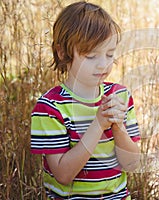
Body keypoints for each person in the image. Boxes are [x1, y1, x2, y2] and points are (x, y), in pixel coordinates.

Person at [30, 1, 141, 199]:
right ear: (62, 52)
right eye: (91, 56)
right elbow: (63, 175)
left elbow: (132, 164)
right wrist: (98, 124)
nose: (103, 65)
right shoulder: (50, 107)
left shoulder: (120, 96)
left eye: (109, 54)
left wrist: (118, 128)